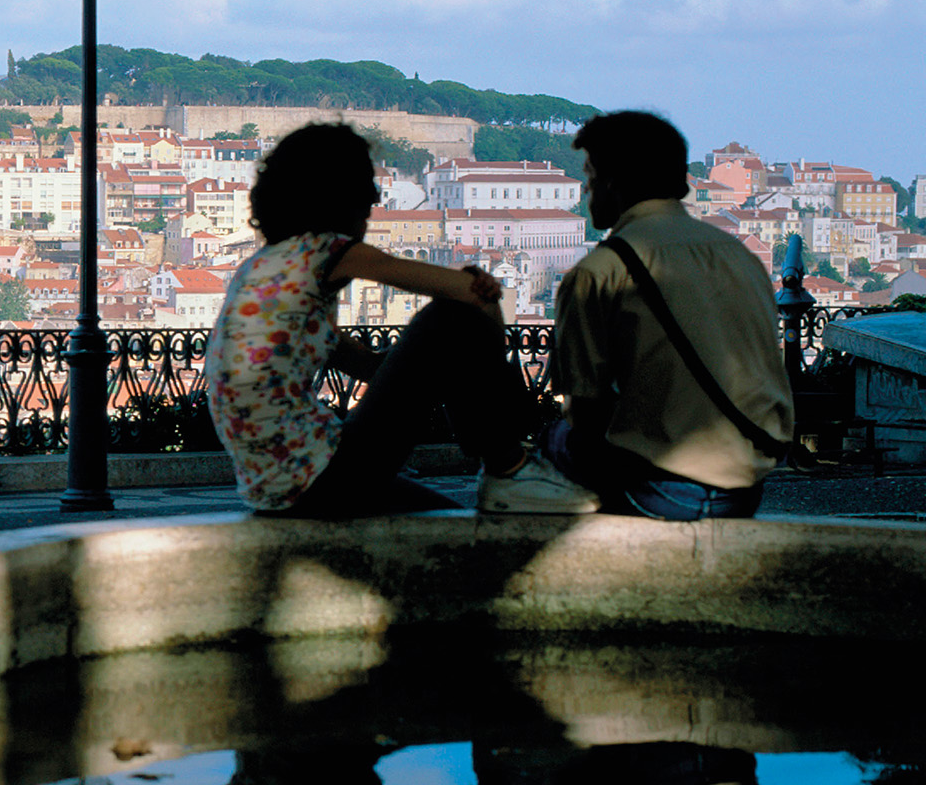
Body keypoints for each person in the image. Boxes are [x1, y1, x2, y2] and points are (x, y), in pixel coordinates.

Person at [206, 122, 594, 517]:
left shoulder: (262, 268)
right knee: (450, 317)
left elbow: (368, 367)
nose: (374, 203)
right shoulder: (329, 251)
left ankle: (509, 474)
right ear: (346, 196)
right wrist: (479, 325)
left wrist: (418, 363)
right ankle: (510, 468)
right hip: (321, 476)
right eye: (369, 191)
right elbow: (468, 296)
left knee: (444, 516)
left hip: (282, 489)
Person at [545, 111, 793, 519]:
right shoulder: (740, 256)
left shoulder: (600, 271)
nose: (586, 190)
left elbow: (584, 411)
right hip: (746, 485)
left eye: (590, 176)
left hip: (661, 490)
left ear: (612, 182)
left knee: (554, 440)